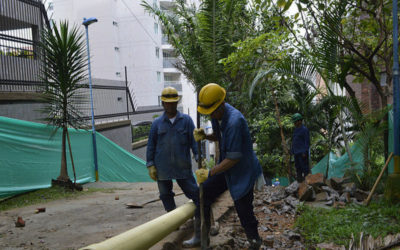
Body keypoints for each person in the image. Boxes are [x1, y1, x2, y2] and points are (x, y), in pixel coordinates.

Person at [183, 83, 263, 249]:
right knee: (202, 194)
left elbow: (233, 159)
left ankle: (254, 241)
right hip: (226, 168)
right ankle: (200, 235)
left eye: (211, 111)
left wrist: (209, 172)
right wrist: (205, 136)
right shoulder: (217, 114)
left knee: (243, 208)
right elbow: (219, 137)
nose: (210, 114)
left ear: (220, 104)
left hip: (242, 171)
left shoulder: (235, 121)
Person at [146, 87, 199, 213]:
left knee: (194, 193)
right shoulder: (157, 123)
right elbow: (151, 145)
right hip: (163, 168)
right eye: (167, 103)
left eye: (173, 102)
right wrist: (150, 164)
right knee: (165, 195)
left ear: (177, 102)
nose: (170, 105)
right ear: (163, 103)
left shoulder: (186, 121)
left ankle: (203, 217)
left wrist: (199, 157)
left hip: (182, 167)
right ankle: (172, 219)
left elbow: (194, 141)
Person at [291, 113, 310, 183]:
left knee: (305, 168)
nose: (294, 123)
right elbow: (294, 140)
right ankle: (299, 183)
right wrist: (292, 150)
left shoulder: (304, 130)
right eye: (294, 122)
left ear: (299, 121)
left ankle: (307, 183)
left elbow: (307, 142)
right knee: (298, 168)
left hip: (302, 153)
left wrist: (305, 151)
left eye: (295, 122)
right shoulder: (295, 130)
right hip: (296, 152)